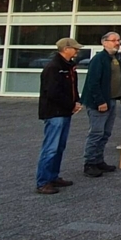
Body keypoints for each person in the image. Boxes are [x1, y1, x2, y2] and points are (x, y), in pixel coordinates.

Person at [35, 38, 82, 194]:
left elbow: (72, 88)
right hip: (55, 112)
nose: (77, 51)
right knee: (51, 148)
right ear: (66, 49)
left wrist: (77, 101)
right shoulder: (54, 67)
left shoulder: (68, 66)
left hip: (63, 111)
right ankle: (43, 181)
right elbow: (53, 92)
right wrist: (71, 104)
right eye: (75, 48)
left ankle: (53, 176)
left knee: (59, 147)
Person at [81, 32, 121, 178]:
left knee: (106, 133)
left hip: (112, 100)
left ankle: (99, 160)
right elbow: (93, 82)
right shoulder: (99, 59)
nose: (117, 43)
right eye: (113, 40)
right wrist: (100, 101)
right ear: (104, 42)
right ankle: (90, 163)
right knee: (96, 133)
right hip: (99, 103)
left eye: (118, 40)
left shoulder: (115, 59)